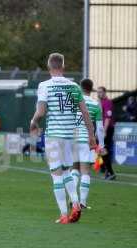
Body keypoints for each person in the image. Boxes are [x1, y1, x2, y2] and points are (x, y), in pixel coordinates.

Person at [30, 53, 96, 224]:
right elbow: (85, 113)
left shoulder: (45, 85)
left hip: (53, 135)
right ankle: (76, 204)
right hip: (70, 136)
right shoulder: (74, 87)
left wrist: (33, 121)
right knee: (66, 171)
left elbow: (41, 112)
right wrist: (91, 136)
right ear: (63, 67)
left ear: (49, 67)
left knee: (56, 174)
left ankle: (64, 215)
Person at [71, 79, 105, 210]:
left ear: (80, 88)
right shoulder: (95, 104)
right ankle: (83, 202)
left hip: (73, 139)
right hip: (87, 141)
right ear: (91, 89)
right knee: (85, 171)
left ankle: (73, 200)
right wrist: (100, 145)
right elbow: (100, 128)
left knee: (74, 169)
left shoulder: (74, 102)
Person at [97, 86, 116, 180]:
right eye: (98, 92)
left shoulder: (107, 102)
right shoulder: (100, 102)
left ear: (105, 92)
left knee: (103, 149)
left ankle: (109, 172)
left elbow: (108, 118)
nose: (99, 94)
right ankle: (106, 169)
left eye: (100, 92)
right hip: (103, 128)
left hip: (108, 128)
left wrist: (104, 131)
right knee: (102, 149)